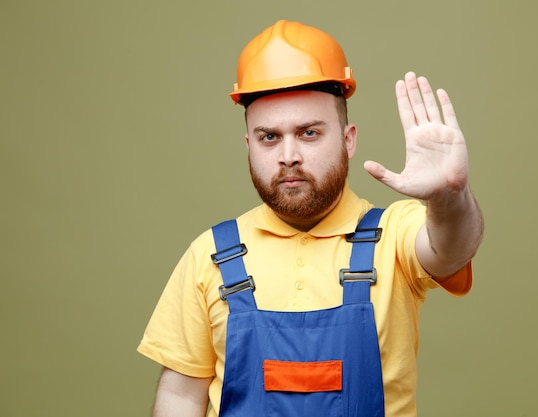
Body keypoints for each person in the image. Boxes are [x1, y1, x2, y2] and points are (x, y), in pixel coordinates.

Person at [138, 20, 484, 417]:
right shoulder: (210, 255)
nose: (288, 155)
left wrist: (450, 197)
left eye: (308, 133)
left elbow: (452, 247)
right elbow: (181, 395)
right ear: (249, 146)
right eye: (270, 137)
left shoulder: (395, 236)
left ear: (348, 139)